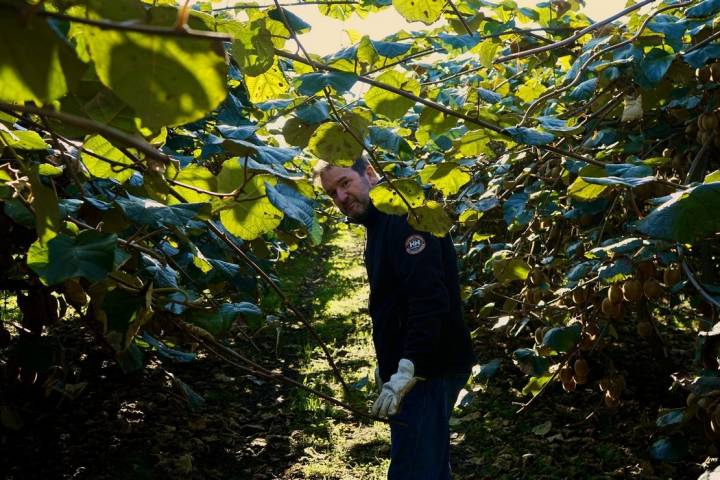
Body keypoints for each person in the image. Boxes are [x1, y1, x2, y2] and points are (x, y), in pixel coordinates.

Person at [316, 154, 476, 480]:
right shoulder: (379, 223)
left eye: (345, 183)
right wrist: (389, 364)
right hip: (420, 366)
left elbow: (428, 298)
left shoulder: (403, 217)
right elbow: (397, 301)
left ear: (370, 173)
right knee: (426, 461)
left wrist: (408, 368)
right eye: (332, 193)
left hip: (430, 369)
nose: (341, 198)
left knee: (414, 470)